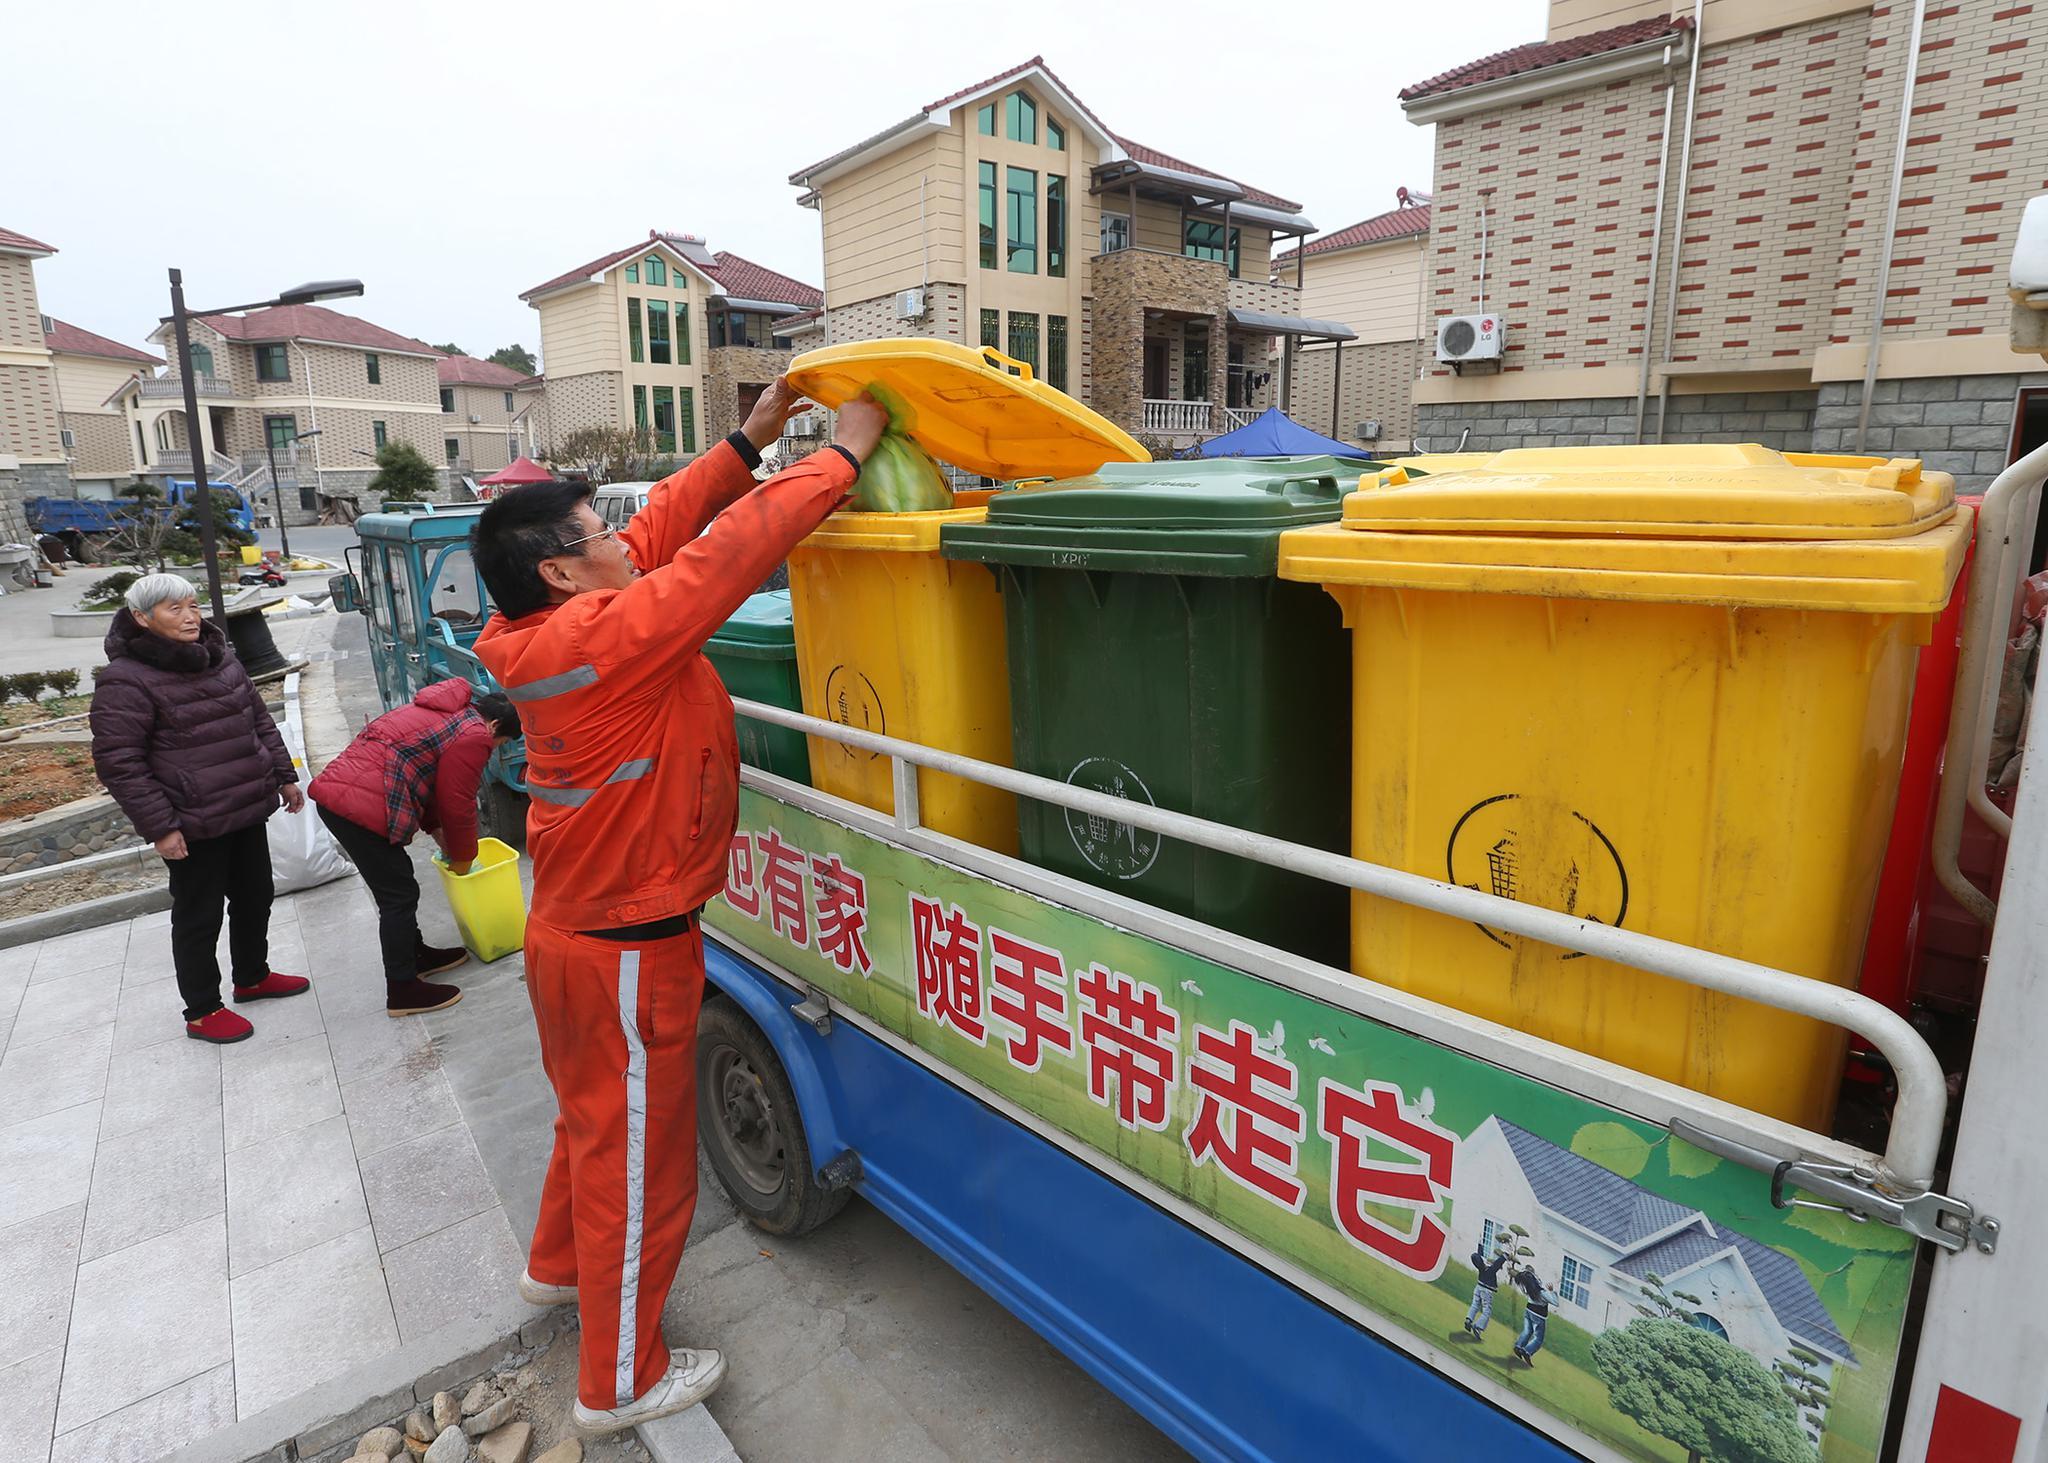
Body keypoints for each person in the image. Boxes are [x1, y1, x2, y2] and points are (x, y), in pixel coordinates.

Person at [471, 378, 887, 1433]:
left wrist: (747, 439)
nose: (622, 532)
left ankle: (554, 1270)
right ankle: (619, 1382)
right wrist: (834, 458)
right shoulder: (603, 639)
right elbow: (718, 559)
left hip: (574, 927)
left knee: (588, 1124)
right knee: (640, 1167)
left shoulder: (552, 621)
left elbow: (662, 529)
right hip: (623, 949)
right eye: (596, 529)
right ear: (565, 569)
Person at [90, 572, 310, 1043]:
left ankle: (252, 976)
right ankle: (202, 1009)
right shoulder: (125, 681)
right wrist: (161, 827)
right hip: (192, 821)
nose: (191, 617)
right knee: (199, 915)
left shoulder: (219, 656)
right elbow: (119, 763)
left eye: (193, 606)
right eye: (175, 609)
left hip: (245, 804)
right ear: (141, 619)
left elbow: (257, 719)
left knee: (256, 896)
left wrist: (284, 776)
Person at [307, 679, 521, 1014]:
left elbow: (434, 780)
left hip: (342, 796)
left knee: (399, 883)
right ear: (494, 726)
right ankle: (402, 989)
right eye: (502, 742)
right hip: (357, 806)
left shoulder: (449, 715)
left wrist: (435, 830)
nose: (494, 748)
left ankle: (416, 955)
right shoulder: (475, 734)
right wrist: (465, 859)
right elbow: (458, 801)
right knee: (398, 895)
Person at [1464, 1237, 1510, 1339]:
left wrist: (1480, 1244)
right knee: (1487, 1311)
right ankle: (1478, 1327)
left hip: (1478, 1287)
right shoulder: (1489, 1268)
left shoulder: (1480, 1265)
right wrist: (1504, 1256)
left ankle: (1469, 1319)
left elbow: (1479, 1256)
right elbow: (1496, 1265)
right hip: (1487, 1291)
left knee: (1475, 1304)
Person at [1513, 1264, 1559, 1365]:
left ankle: (1519, 1346)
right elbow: (1556, 1302)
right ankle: (1527, 1351)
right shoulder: (1542, 1293)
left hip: (1528, 1310)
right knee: (1538, 1338)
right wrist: (1552, 1291)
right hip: (1539, 1315)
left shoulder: (1529, 1291)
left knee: (1527, 1331)